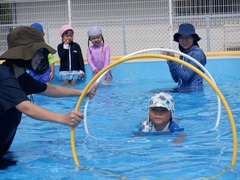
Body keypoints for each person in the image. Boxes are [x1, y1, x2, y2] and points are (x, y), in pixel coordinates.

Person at [0, 26, 97, 158]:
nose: (42, 56)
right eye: (38, 52)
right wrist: (63, 118)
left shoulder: (20, 76)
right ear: (24, 53)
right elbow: (27, 108)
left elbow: (48, 88)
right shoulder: (4, 75)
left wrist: (82, 92)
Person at [163, 23, 207, 92]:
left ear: (193, 38)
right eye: (182, 37)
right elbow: (176, 79)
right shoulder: (184, 54)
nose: (184, 40)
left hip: (193, 93)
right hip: (183, 91)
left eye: (188, 37)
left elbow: (186, 77)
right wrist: (170, 60)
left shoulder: (197, 54)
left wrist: (173, 61)